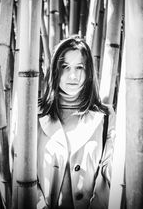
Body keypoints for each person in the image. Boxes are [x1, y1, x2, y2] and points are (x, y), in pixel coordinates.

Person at [37, 36, 116, 209]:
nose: (73, 75)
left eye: (80, 67)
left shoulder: (106, 116)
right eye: (65, 67)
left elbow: (112, 176)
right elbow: (18, 172)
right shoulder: (34, 116)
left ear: (89, 72)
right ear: (55, 70)